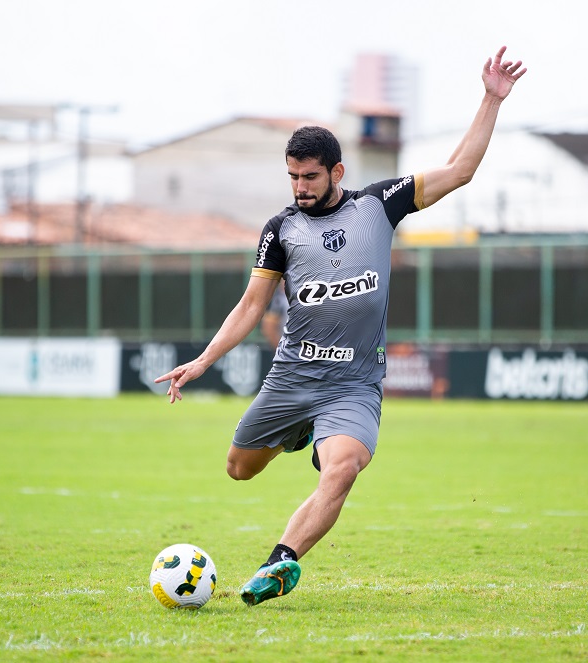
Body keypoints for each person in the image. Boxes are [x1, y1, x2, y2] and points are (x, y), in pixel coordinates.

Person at [156, 45, 526, 606]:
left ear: (337, 172)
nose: (300, 187)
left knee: (343, 469)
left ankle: (280, 562)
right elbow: (252, 304)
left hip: (354, 384)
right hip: (292, 376)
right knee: (239, 469)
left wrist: (490, 99)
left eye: (309, 176)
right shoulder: (280, 229)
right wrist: (204, 361)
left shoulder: (379, 206)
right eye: (292, 177)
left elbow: (460, 170)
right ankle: (296, 434)